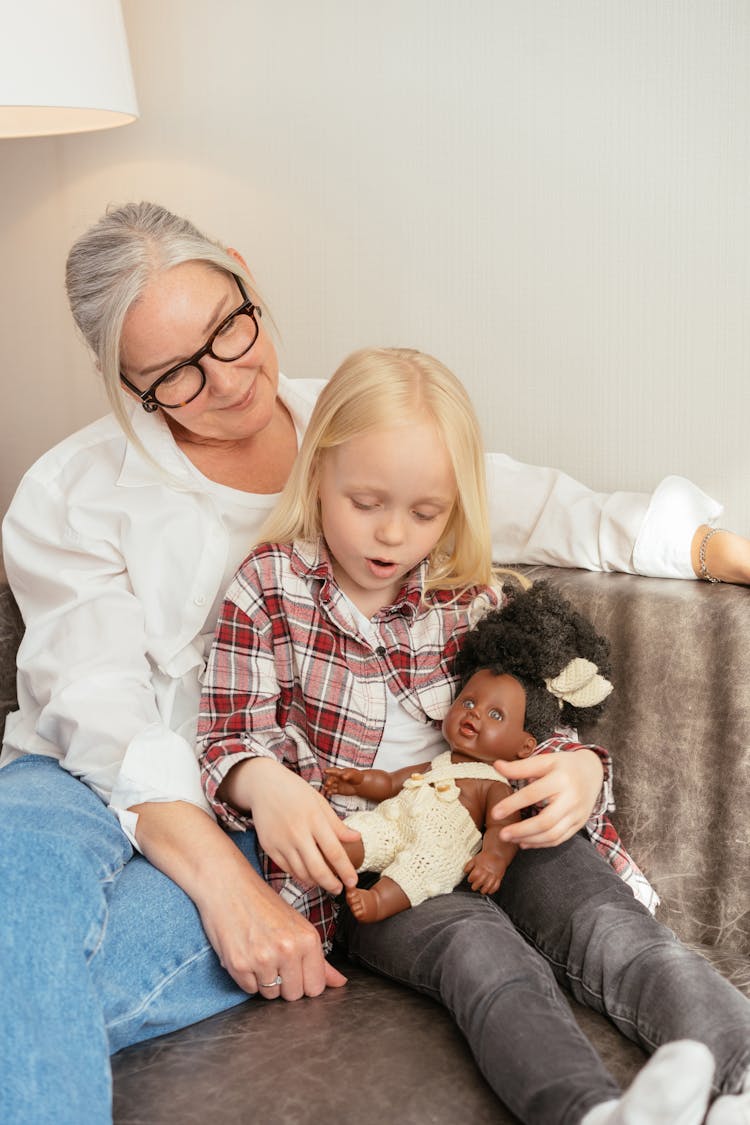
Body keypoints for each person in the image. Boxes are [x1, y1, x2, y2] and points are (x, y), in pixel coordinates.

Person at [0, 201, 748, 1125]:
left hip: (279, 817)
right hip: (92, 777)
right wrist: (237, 855)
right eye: (175, 376)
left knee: (37, 982)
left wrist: (712, 548)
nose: (226, 380)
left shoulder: (357, 424)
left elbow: (532, 506)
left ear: (244, 275)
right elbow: (101, 714)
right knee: (18, 888)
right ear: (123, 380)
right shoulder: (76, 493)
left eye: (230, 331)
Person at [197, 350, 750, 1125]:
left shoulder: (469, 593)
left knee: (615, 929)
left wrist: (582, 773)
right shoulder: (269, 587)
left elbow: (535, 727)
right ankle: (592, 1114)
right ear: (318, 471)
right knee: (484, 960)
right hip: (383, 856)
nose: (393, 533)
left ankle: (739, 1078)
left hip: (499, 822)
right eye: (365, 501)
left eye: (425, 513)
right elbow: (227, 738)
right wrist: (267, 785)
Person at [323, 580, 657, 924]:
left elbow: (501, 830)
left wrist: (493, 860)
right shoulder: (438, 764)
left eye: (496, 715)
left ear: (525, 746)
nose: (475, 713)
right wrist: (359, 781)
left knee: (416, 872)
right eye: (467, 702)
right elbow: (393, 781)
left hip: (440, 848)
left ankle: (378, 900)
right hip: (395, 820)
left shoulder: (493, 784)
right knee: (363, 833)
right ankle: (337, 857)